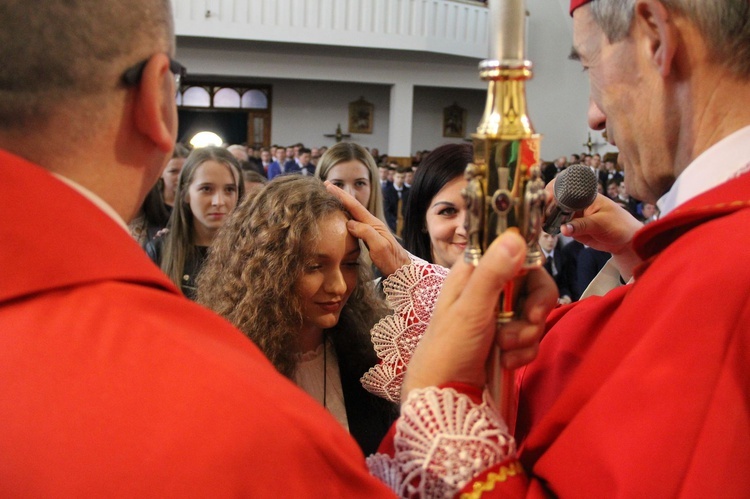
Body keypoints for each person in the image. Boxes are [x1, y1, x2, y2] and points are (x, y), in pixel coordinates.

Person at [364, 0, 750, 495]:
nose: (594, 115)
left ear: (656, 34)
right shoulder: (712, 251)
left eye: (590, 65)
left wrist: (440, 404)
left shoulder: (724, 282)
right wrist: (647, 260)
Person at [197, 176, 397, 456]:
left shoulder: (369, 355)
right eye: (315, 266)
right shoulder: (226, 363)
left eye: (350, 264)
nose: (339, 286)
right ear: (267, 269)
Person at [145, 146, 245, 300]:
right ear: (186, 194)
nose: (218, 201)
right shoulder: (160, 251)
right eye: (206, 189)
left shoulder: (251, 253)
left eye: (229, 190)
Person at [401, 142, 473, 267]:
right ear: (422, 219)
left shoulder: (515, 286)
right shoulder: (378, 287)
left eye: (479, 210)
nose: (465, 230)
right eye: (448, 211)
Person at [314, 142, 388, 228]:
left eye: (359, 183)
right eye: (338, 184)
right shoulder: (302, 241)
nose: (350, 195)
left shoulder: (392, 242)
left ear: (372, 187)